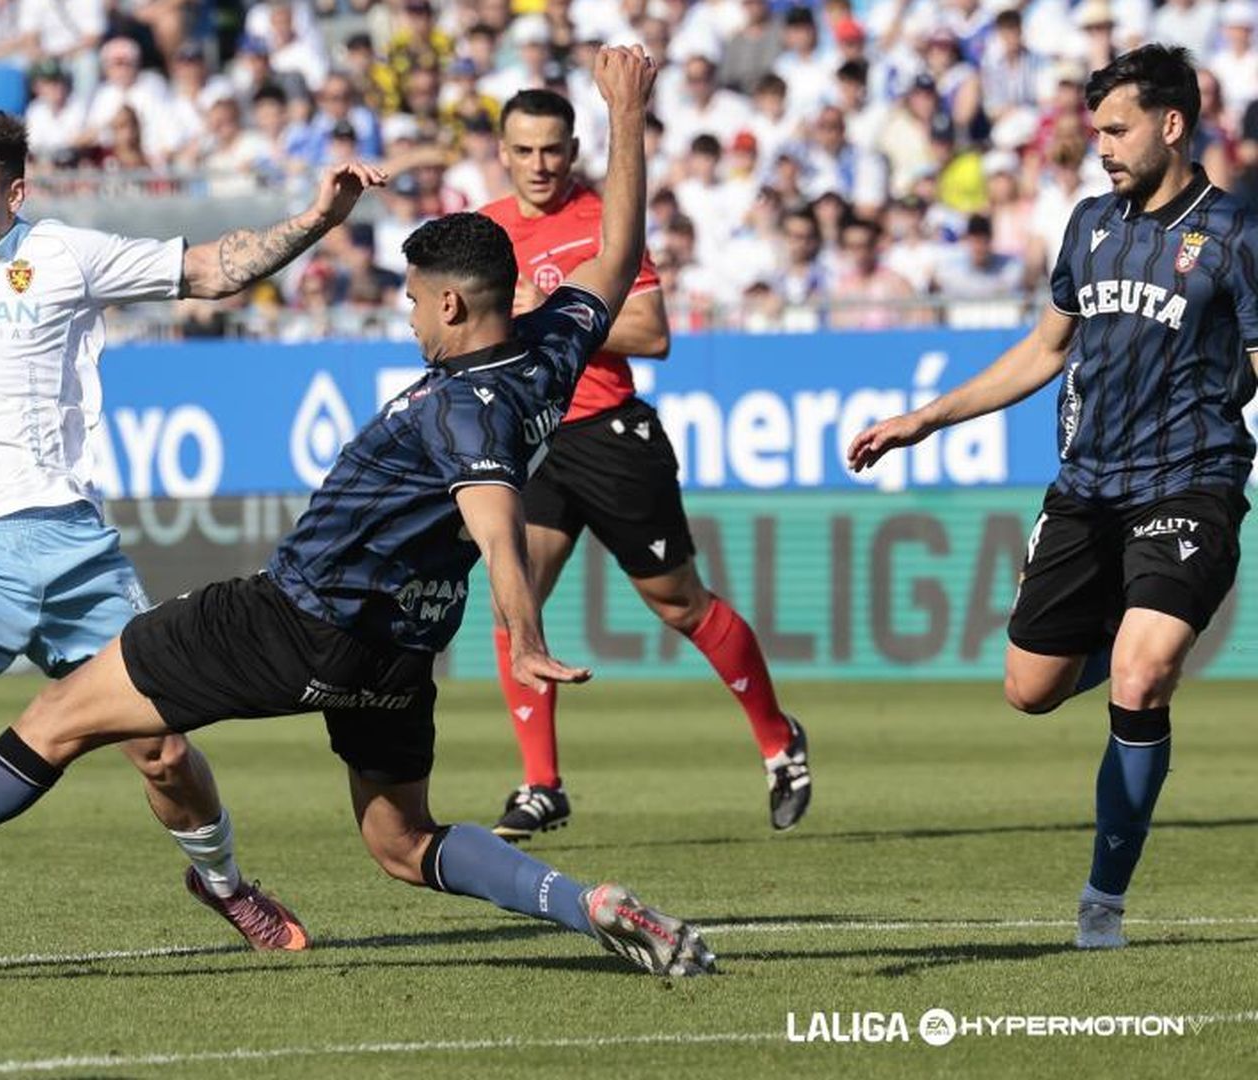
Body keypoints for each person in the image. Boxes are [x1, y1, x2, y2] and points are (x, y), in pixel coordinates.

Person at [0, 48, 720, 980]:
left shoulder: (461, 408)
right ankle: (584, 902)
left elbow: (496, 512)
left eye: (418, 301)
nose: (408, 315)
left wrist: (525, 630)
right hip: (399, 647)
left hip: (293, 618)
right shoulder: (553, 349)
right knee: (401, 841)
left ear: (457, 309)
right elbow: (616, 253)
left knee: (56, 718)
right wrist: (625, 116)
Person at [0, 110, 389, 981]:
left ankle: (222, 882)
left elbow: (211, 270)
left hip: (70, 549)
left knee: (162, 753)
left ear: (14, 192)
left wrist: (318, 218)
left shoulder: (62, 256)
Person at [847, 45, 1258, 951]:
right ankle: (1135, 628)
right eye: (1096, 130)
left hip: (1191, 481)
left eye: (1117, 129)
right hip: (1086, 487)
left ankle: (1103, 900)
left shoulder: (1236, 234)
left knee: (1141, 676)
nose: (1101, 146)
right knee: (1030, 689)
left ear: (1172, 125)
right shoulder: (1089, 223)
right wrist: (926, 418)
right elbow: (1045, 350)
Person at [475, 88, 811, 841]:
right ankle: (541, 785)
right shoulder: (486, 230)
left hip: (611, 437)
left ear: (573, 150)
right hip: (536, 439)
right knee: (511, 601)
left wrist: (544, 308)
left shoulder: (604, 220)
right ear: (502, 153)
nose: (539, 164)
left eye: (552, 149)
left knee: (679, 604)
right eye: (524, 150)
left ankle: (778, 738)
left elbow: (652, 332)